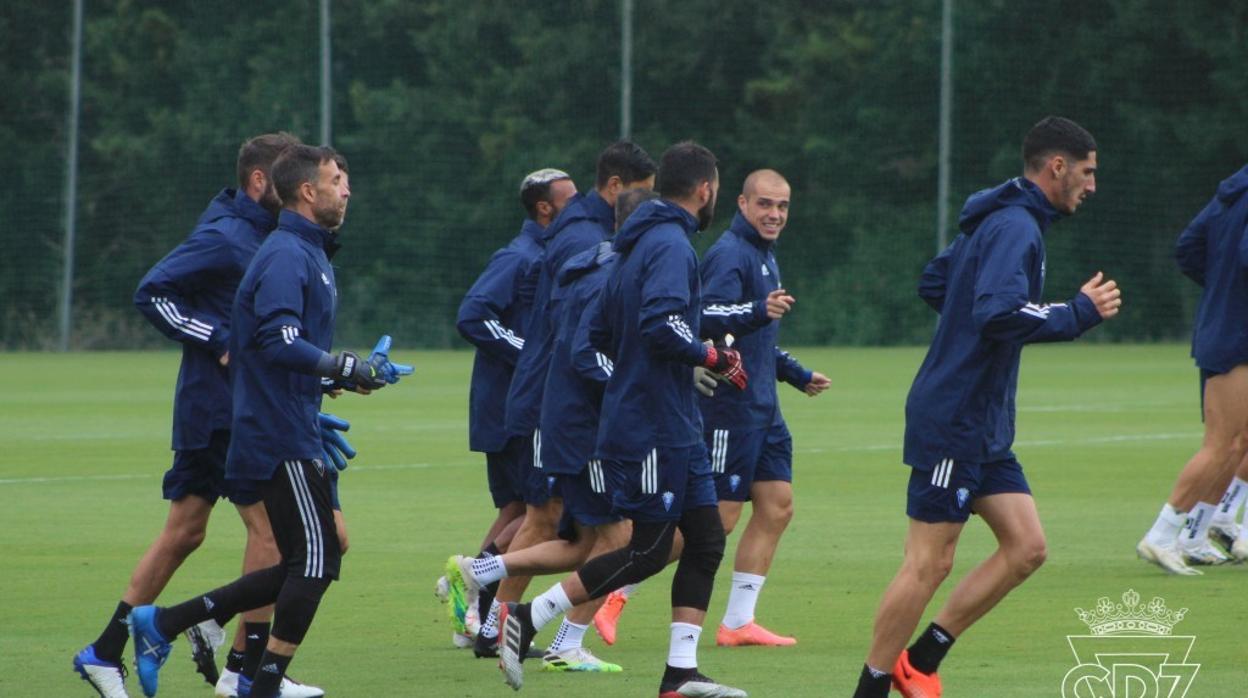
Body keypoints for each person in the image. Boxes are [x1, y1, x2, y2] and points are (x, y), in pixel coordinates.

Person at [852, 116, 1120, 698]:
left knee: (1026, 548)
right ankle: (868, 689)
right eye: (1088, 172)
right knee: (929, 563)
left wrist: (966, 334)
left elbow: (936, 284)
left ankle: (920, 661)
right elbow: (996, 312)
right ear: (1057, 167)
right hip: (954, 417)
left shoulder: (999, 222)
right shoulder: (1016, 228)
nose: (1091, 186)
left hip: (983, 423)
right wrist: (1075, 313)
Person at [126, 144, 397, 698]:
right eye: (337, 180)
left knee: (309, 557)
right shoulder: (286, 255)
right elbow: (277, 339)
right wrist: (335, 362)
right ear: (307, 191)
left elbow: (277, 352)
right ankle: (259, 681)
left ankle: (170, 624)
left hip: (288, 423)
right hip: (276, 433)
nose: (346, 190)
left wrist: (346, 375)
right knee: (318, 559)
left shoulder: (310, 254)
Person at [71, 133, 324, 698]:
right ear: (260, 181)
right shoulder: (226, 235)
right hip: (221, 410)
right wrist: (217, 339)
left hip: (239, 407)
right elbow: (152, 292)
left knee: (185, 533)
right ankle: (242, 668)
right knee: (279, 537)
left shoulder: (269, 236)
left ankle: (105, 650)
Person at [496, 141, 750, 698]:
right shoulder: (668, 246)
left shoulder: (636, 246)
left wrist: (651, 368)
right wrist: (711, 356)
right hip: (652, 426)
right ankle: (527, 616)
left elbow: (604, 335)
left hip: (672, 420)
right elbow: (660, 325)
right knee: (646, 549)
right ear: (706, 190)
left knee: (705, 540)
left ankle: (680, 674)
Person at [447, 189, 659, 673]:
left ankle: (487, 598)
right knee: (607, 534)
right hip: (573, 419)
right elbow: (582, 351)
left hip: (557, 412)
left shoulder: (584, 257)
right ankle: (549, 636)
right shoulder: (594, 267)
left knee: (579, 537)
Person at [697, 169, 830, 648]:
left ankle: (737, 622)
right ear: (742, 204)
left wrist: (796, 375)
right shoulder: (730, 254)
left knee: (777, 507)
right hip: (729, 410)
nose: (775, 214)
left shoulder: (764, 256)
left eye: (783, 206)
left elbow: (757, 341)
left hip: (763, 409)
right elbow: (704, 317)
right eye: (765, 205)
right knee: (717, 521)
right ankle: (615, 589)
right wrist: (757, 310)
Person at [446, 168, 577, 646]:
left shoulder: (550, 254)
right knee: (539, 512)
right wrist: (534, 355)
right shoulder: (519, 256)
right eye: (571, 200)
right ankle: (478, 600)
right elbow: (473, 314)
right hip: (512, 408)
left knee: (520, 509)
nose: (580, 208)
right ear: (545, 208)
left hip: (522, 404)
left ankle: (474, 607)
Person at [1138, 162, 1248, 572]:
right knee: (1222, 444)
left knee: (1237, 443)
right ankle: (1161, 536)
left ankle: (1198, 533)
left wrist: (1221, 288)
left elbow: (1188, 247)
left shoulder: (1231, 191)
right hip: (1237, 337)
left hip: (1224, 326)